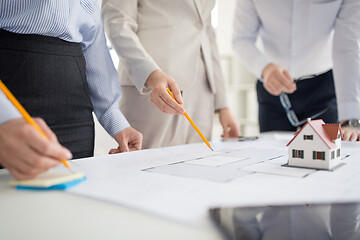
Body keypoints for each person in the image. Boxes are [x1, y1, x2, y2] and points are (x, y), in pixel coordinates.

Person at [0, 0, 143, 180]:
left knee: (73, 193)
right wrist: (3, 119)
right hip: (11, 92)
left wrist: (116, 120)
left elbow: (93, 45)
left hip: (76, 113)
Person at [101, 0, 240, 149]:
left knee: (199, 165)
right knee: (147, 166)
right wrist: (151, 74)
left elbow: (206, 30)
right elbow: (117, 22)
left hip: (203, 91)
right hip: (154, 85)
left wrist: (222, 104)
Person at [233, 0, 360, 141]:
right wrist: (265, 68)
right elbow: (241, 39)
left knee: (325, 155)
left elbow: (348, 48)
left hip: (323, 89)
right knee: (271, 157)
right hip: (272, 87)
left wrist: (350, 118)